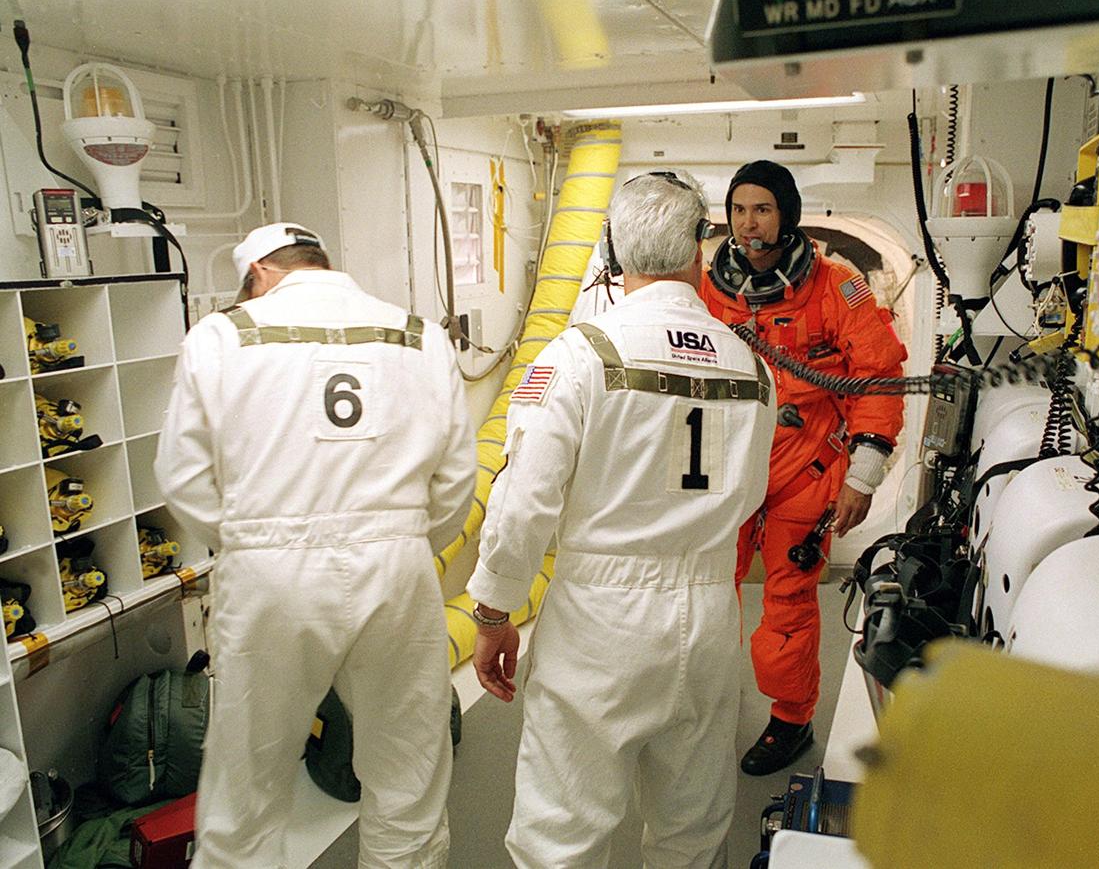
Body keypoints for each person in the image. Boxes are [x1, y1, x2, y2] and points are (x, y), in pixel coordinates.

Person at [467, 171, 775, 868]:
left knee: (563, 834)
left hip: (602, 625)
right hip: (709, 619)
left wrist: (493, 614)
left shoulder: (582, 355)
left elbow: (524, 506)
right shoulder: (753, 368)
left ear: (611, 248)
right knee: (692, 831)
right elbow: (750, 492)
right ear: (701, 249)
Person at [155, 222, 474, 868]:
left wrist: (250, 538)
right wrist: (404, 537)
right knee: (408, 773)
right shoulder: (420, 336)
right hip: (397, 569)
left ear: (261, 274)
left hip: (270, 574)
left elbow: (183, 478)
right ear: (320, 263)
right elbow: (456, 480)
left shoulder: (222, 335)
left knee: (246, 788)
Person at [699, 160, 908, 776]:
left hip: (805, 468)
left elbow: (879, 377)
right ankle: (701, 703)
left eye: (761, 209)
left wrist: (862, 475)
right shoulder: (708, 290)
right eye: (738, 210)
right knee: (710, 589)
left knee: (787, 600)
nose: (748, 223)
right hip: (728, 467)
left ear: (786, 215)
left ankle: (791, 721)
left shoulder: (837, 285)